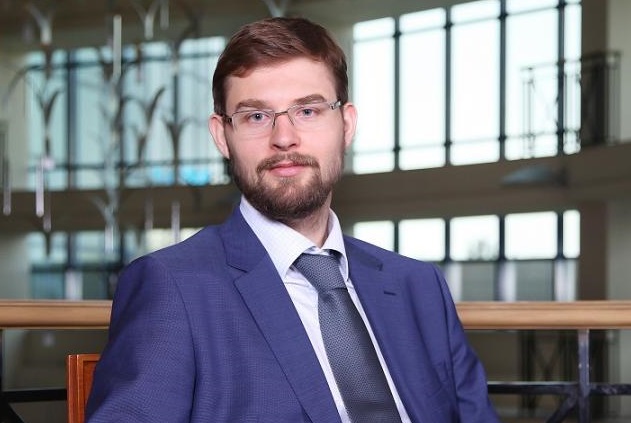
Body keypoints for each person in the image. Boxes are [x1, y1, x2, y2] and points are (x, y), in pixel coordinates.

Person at [86, 16, 500, 423]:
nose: (284, 138)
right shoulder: (172, 287)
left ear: (347, 124)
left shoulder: (419, 287)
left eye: (308, 111)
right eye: (256, 116)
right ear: (221, 136)